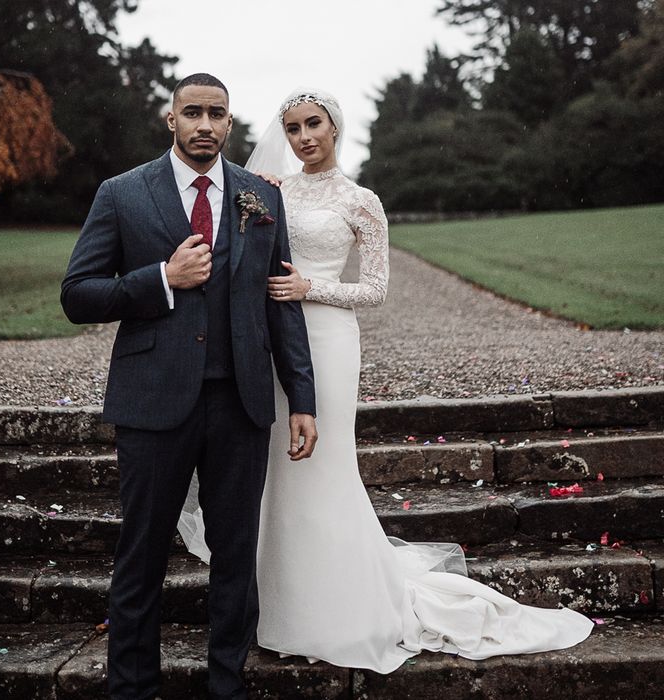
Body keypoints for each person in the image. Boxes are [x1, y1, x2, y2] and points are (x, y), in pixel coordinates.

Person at [180, 87, 594, 673]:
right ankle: (274, 607)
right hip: (273, 342)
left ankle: (337, 610)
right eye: (293, 128)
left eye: (313, 125)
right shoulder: (265, 191)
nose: (303, 138)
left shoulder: (361, 201)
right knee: (273, 471)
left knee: (322, 467)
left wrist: (310, 288)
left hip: (328, 339)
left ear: (334, 126)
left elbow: (375, 289)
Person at [61, 73, 318, 700]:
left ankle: (227, 685)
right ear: (170, 119)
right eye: (193, 113)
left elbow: (280, 301)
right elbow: (77, 295)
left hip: (243, 401)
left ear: (230, 124)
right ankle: (133, 689)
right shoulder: (122, 194)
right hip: (153, 402)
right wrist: (162, 278)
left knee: (235, 556)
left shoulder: (262, 197)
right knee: (142, 554)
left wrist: (302, 399)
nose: (205, 124)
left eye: (217, 114)